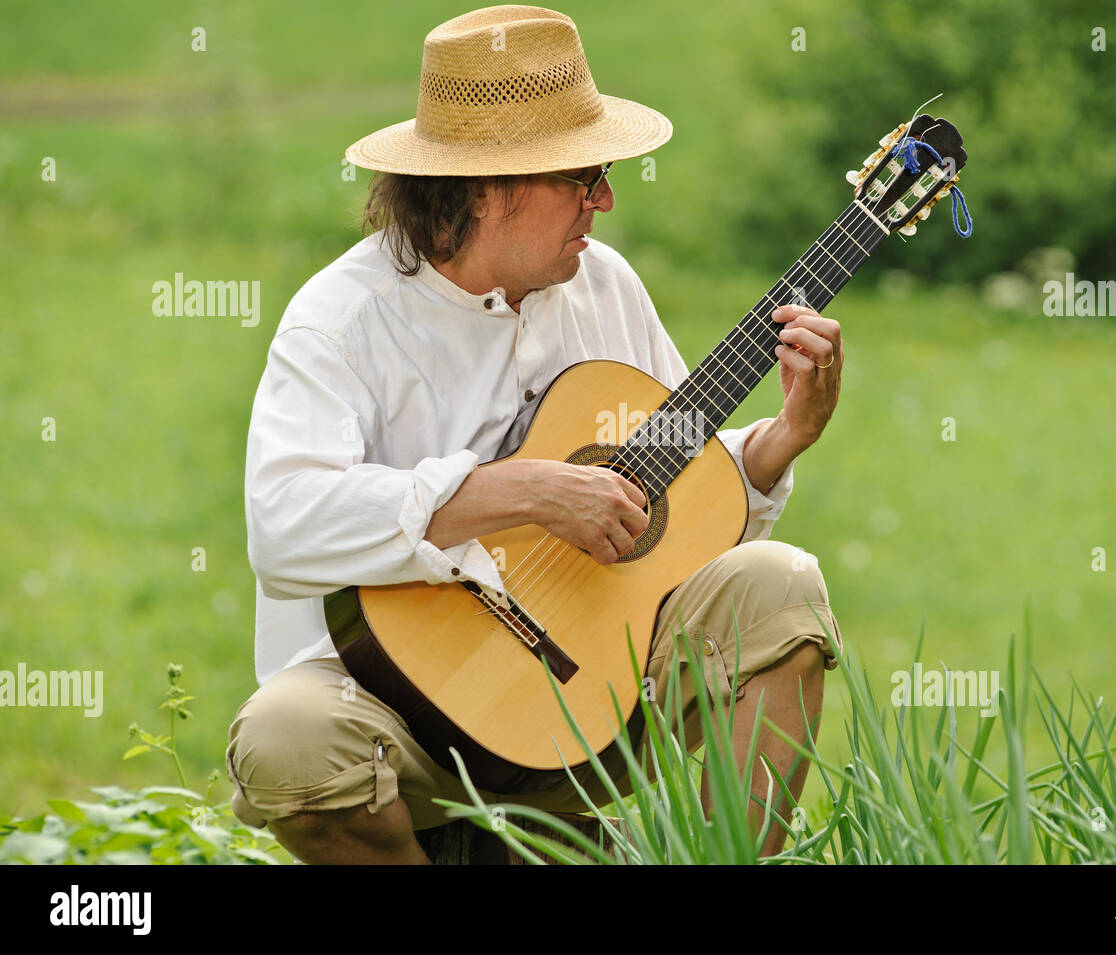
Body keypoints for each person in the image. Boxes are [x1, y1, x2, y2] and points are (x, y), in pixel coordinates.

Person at [225, 4, 844, 864]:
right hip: (392, 725)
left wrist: (782, 435)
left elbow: (668, 494)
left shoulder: (605, 285)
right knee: (284, 737)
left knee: (784, 584)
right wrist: (519, 493)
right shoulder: (339, 322)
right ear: (485, 187)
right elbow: (285, 522)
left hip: (590, 706)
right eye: (583, 177)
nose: (607, 198)